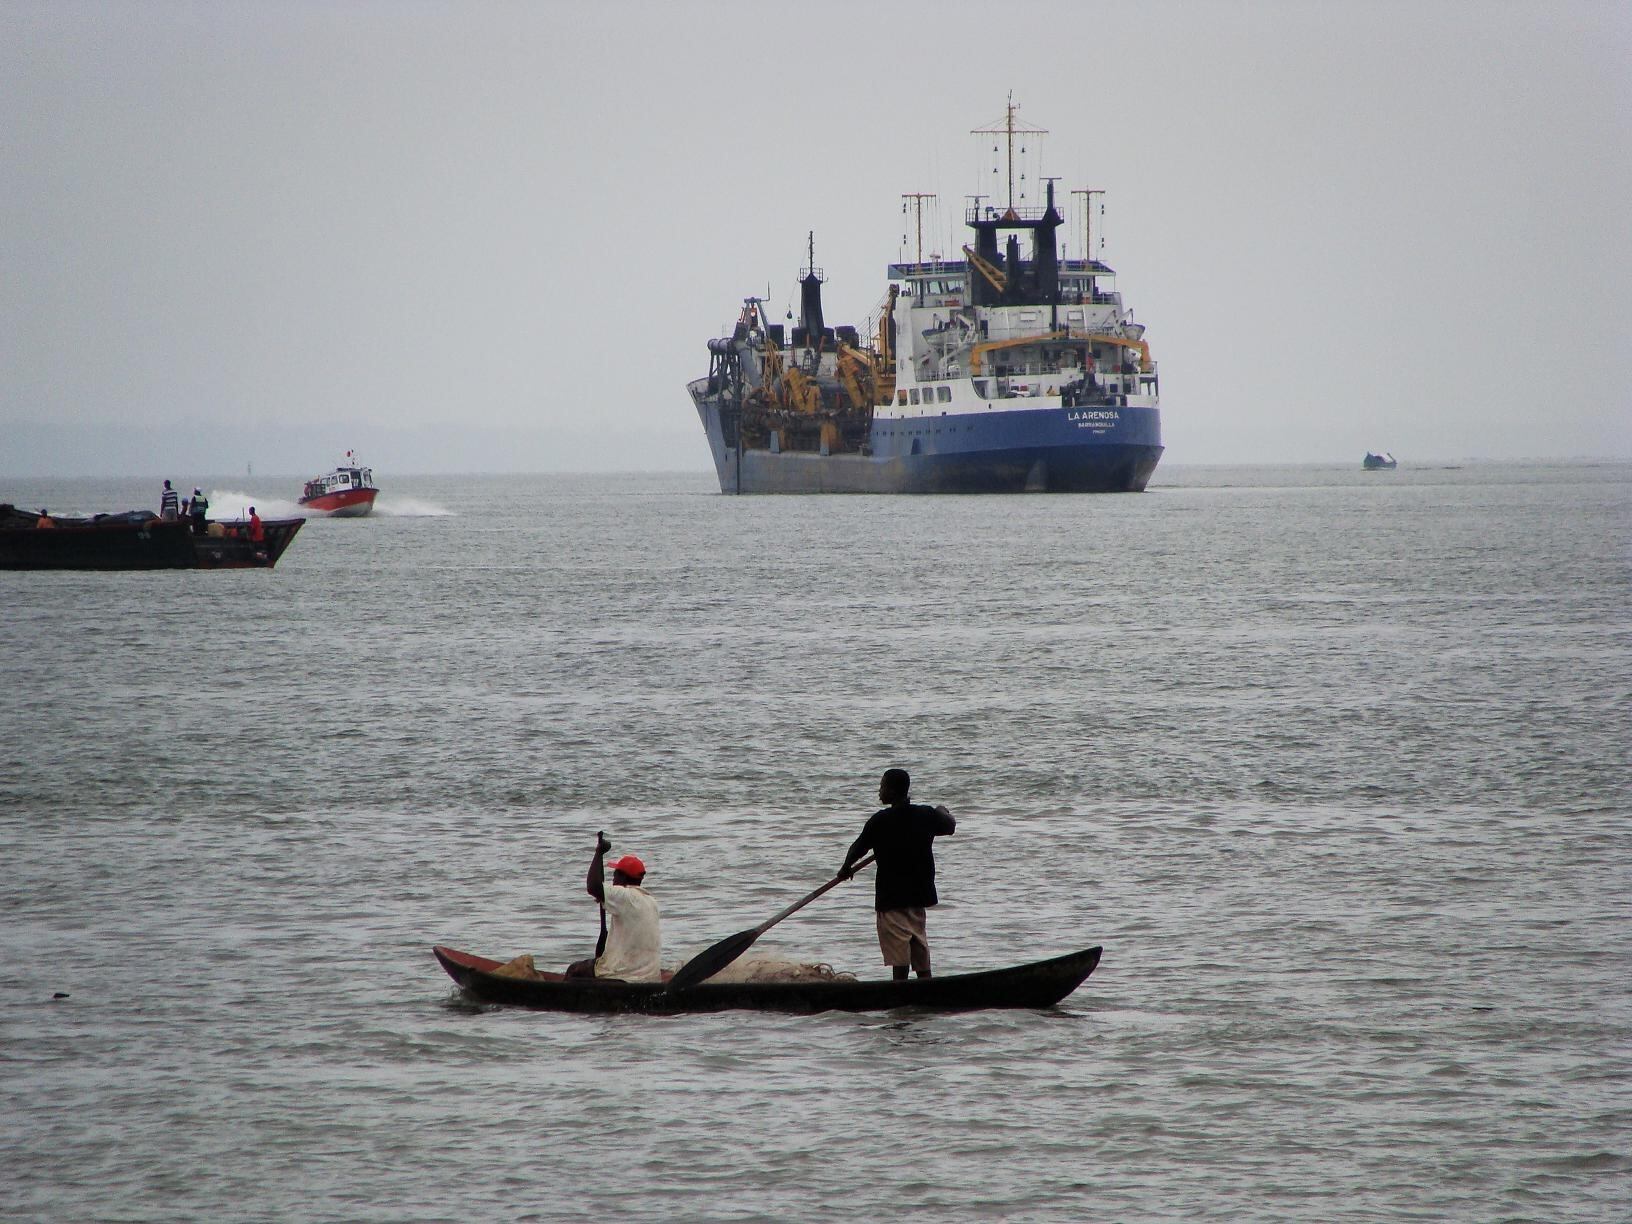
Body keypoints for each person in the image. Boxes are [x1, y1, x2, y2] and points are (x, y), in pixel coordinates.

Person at [839, 768, 956, 981]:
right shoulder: (926, 815)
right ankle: (926, 992)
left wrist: (846, 867)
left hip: (892, 900)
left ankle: (900, 997)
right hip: (918, 898)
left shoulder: (880, 821)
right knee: (920, 953)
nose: (879, 792)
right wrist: (941, 810)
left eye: (882, 787)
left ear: (892, 791)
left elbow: (859, 847)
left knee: (899, 959)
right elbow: (950, 826)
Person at [564, 832, 661, 981]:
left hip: (624, 975)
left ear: (622, 877)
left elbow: (593, 886)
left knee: (573, 970)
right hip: (649, 975)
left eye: (615, 874)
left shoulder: (624, 896)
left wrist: (598, 852)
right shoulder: (650, 901)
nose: (613, 878)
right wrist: (604, 899)